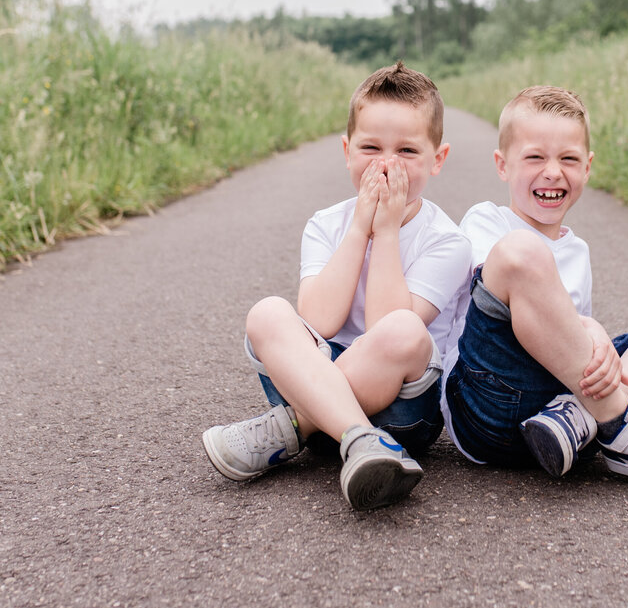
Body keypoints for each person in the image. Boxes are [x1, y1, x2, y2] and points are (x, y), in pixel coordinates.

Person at [202, 62, 471, 511]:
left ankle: (295, 427)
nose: (386, 163)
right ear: (347, 151)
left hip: (403, 412)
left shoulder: (447, 241)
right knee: (268, 312)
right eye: (370, 147)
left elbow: (390, 327)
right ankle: (359, 439)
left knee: (405, 328)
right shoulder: (326, 224)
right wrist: (359, 229)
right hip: (316, 377)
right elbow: (320, 320)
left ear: (437, 159)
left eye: (407, 150)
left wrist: (385, 233)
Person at [442, 85, 628, 486]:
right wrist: (590, 329)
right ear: (502, 164)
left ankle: (579, 418)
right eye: (534, 157)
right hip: (489, 403)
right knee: (522, 252)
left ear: (587, 166)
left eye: (568, 159)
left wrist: (593, 337)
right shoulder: (487, 222)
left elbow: (569, 345)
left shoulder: (576, 250)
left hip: (553, 410)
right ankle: (624, 427)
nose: (552, 171)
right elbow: (509, 288)